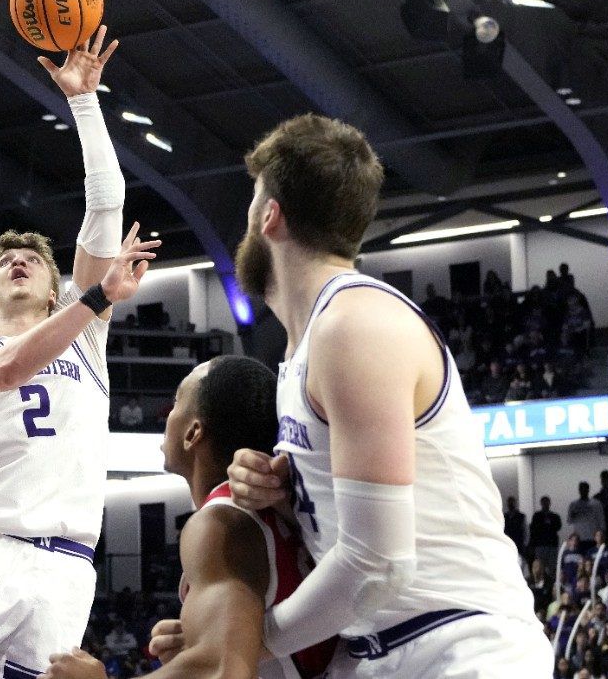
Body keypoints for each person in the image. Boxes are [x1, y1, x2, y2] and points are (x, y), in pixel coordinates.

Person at [224, 114, 550, 674]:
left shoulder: (355, 324)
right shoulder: (308, 343)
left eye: (252, 207)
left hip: (459, 646)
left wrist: (245, 640)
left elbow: (377, 563)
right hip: (377, 651)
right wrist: (287, 490)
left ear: (270, 217)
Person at [0, 27, 159, 679]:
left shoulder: (85, 334)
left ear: (54, 286)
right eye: (6, 261)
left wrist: (86, 102)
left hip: (68, 565)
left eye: (33, 258)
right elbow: (8, 369)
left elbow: (106, 206)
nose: (19, 261)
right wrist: (95, 298)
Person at [49, 356, 339, 679]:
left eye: (175, 403)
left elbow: (223, 670)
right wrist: (201, 640)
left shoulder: (220, 524)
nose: (166, 414)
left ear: (193, 433)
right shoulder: (265, 514)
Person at [569, 482, 605, 554]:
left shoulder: (596, 503)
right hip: (579, 539)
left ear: (588, 490)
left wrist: (602, 537)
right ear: (579, 490)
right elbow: (570, 521)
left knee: (593, 562)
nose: (583, 491)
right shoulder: (573, 504)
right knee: (580, 562)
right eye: (581, 489)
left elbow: (602, 521)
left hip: (593, 538)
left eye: (585, 489)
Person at [531, 496, 564, 575]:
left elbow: (558, 527)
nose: (545, 504)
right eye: (544, 502)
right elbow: (533, 529)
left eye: (547, 502)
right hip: (540, 545)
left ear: (549, 503)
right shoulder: (537, 516)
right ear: (541, 503)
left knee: (552, 567)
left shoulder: (555, 516)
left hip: (552, 544)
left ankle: (551, 584)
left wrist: (549, 524)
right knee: (540, 566)